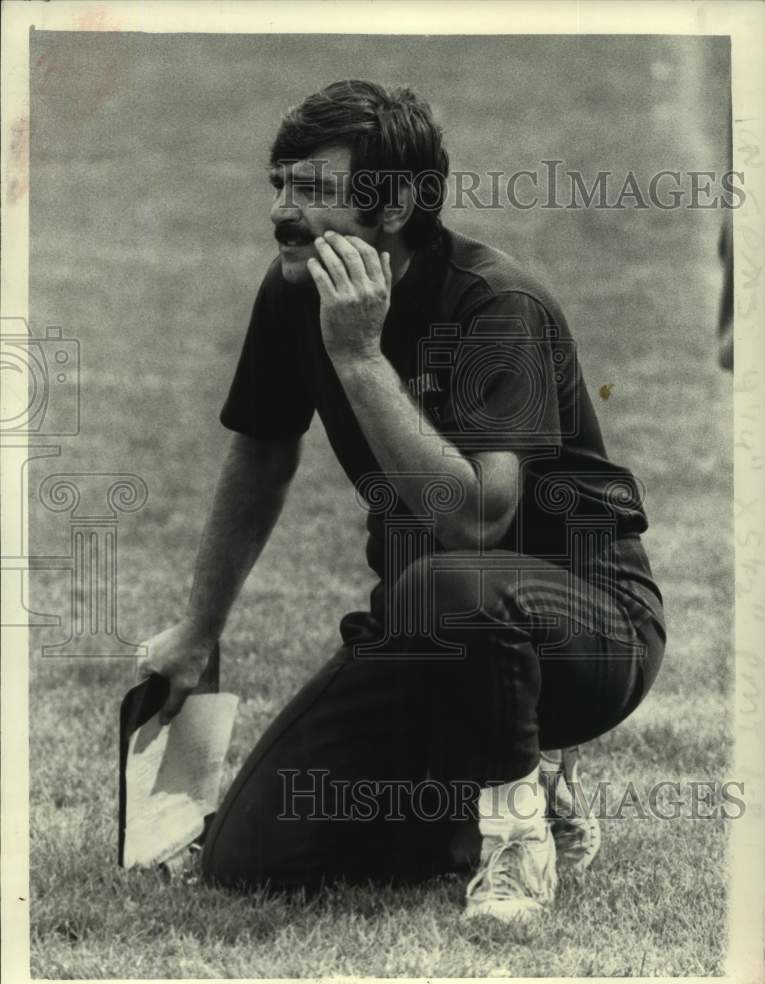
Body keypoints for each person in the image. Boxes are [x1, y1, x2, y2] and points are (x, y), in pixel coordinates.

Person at [139, 80, 666, 926]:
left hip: (586, 631)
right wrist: (199, 629)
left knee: (448, 582)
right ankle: (508, 778)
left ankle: (518, 838)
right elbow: (263, 450)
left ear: (398, 204)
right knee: (253, 858)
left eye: (312, 190)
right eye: (278, 183)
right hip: (426, 632)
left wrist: (358, 359)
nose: (281, 211)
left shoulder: (495, 304)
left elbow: (476, 520)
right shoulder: (291, 290)